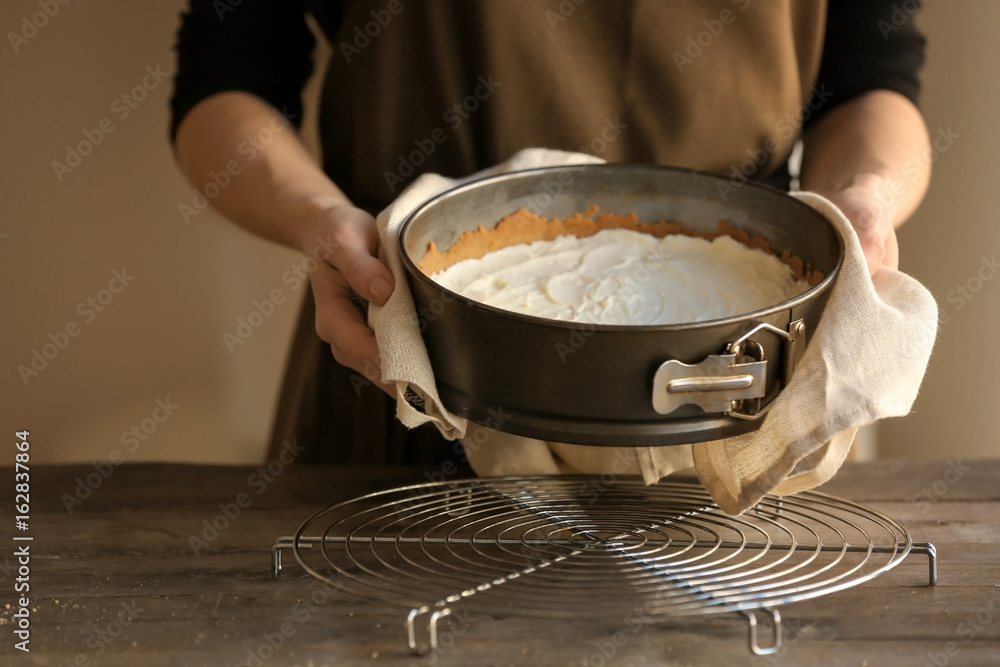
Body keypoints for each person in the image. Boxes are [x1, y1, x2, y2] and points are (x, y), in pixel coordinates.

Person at [169, 1, 930, 468]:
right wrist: (322, 223)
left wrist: (864, 199)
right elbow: (224, 79)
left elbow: (872, 77)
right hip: (413, 371)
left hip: (739, 391)